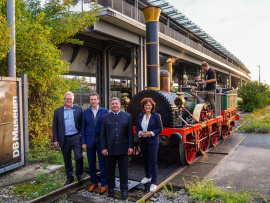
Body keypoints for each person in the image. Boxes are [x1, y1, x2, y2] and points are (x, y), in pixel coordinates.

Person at [100, 97, 133, 200]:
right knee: (110, 170)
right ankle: (111, 188)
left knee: (124, 170)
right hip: (110, 149)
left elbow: (130, 134)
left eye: (116, 104)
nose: (114, 105)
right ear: (111, 105)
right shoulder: (105, 118)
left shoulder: (127, 116)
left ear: (120, 105)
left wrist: (131, 146)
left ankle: (124, 189)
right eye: (113, 104)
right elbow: (102, 135)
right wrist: (103, 148)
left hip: (123, 148)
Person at [53, 91, 83, 186]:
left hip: (76, 137)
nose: (69, 100)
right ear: (64, 100)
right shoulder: (58, 111)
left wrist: (81, 136)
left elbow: (82, 124)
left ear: (73, 100)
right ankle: (69, 178)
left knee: (79, 157)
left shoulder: (79, 109)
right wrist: (55, 139)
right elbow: (55, 127)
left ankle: (79, 175)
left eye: (70, 99)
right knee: (67, 159)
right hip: (64, 139)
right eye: (67, 99)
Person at [81, 93, 109, 193]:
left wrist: (106, 143)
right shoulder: (86, 112)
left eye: (94, 99)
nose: (93, 101)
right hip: (89, 142)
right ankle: (94, 182)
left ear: (98, 100)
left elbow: (107, 128)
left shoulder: (105, 111)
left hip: (101, 142)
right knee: (91, 163)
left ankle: (103, 183)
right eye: (91, 100)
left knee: (102, 163)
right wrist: (83, 141)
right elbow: (83, 127)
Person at [135, 98, 163, 193]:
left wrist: (150, 133)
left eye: (149, 105)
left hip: (152, 141)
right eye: (145, 105)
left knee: (153, 161)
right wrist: (140, 133)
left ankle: (154, 182)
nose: (147, 107)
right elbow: (137, 127)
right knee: (145, 159)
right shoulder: (140, 115)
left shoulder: (156, 116)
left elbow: (160, 129)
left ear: (152, 106)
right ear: (143, 106)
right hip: (143, 141)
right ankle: (147, 176)